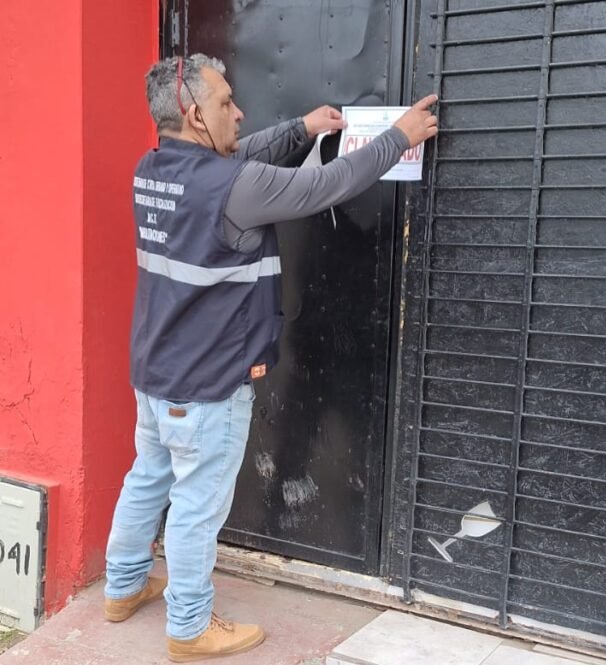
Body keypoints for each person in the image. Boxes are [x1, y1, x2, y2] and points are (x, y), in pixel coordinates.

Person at [103, 53, 438, 663]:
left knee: (147, 479)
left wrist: (302, 130)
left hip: (155, 374)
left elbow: (238, 161)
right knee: (198, 508)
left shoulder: (152, 168)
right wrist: (398, 138)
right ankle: (189, 626)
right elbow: (324, 186)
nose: (239, 110)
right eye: (226, 103)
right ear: (193, 114)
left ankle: (122, 589)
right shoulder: (235, 186)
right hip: (206, 384)